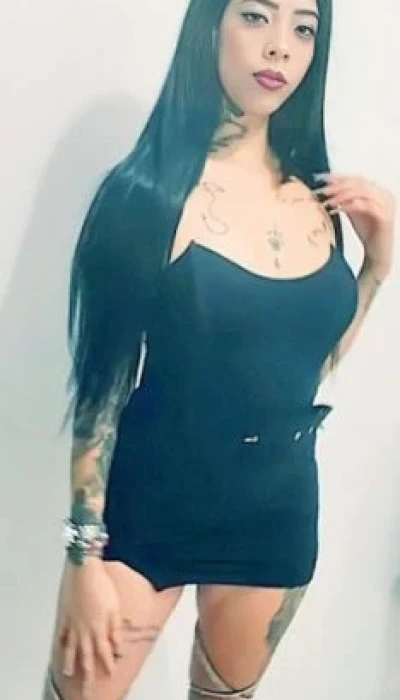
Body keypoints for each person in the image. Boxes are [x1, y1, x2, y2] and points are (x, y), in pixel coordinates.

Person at [42, 0, 396, 699]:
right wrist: (83, 556)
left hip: (275, 508)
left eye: (304, 28)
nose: (281, 47)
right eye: (257, 17)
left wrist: (376, 269)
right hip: (149, 511)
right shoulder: (146, 195)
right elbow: (102, 389)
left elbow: (302, 367)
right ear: (211, 24)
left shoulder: (318, 201)